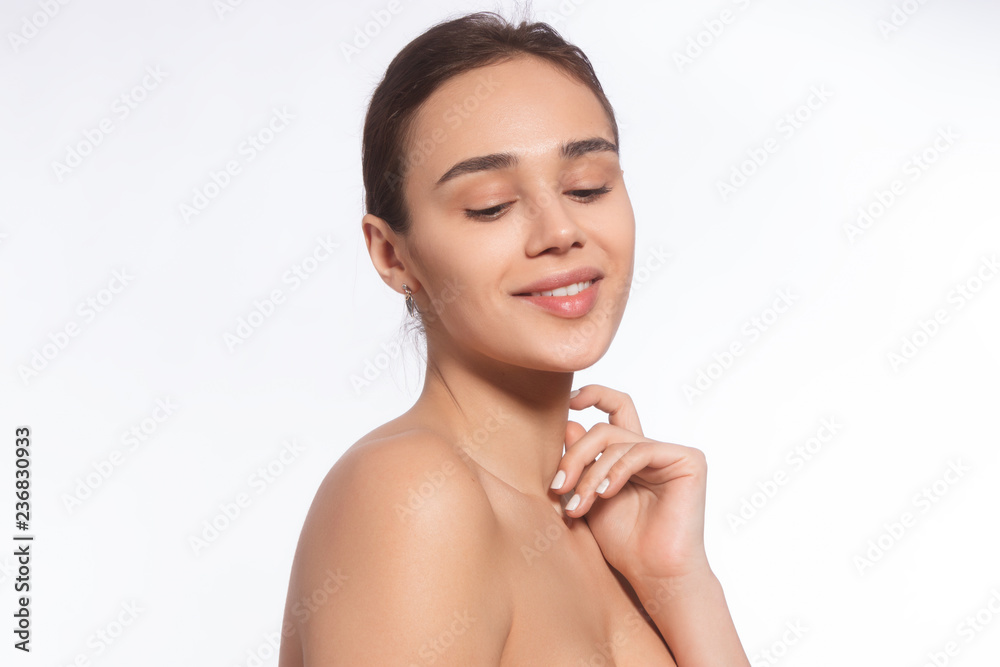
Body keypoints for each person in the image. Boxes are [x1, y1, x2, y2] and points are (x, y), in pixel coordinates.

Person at [278, 10, 750, 666]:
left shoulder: (613, 531)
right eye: (491, 206)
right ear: (392, 254)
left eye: (587, 187)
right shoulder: (412, 494)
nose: (560, 231)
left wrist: (679, 580)